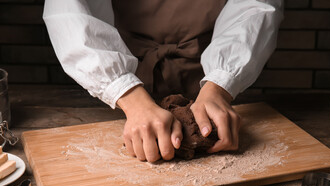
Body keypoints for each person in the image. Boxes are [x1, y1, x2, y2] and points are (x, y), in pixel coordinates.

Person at [43, 0, 283, 163]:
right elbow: (67, 9)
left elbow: (256, 6)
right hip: (120, 83)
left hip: (215, 77)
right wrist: (128, 95)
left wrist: (220, 84)